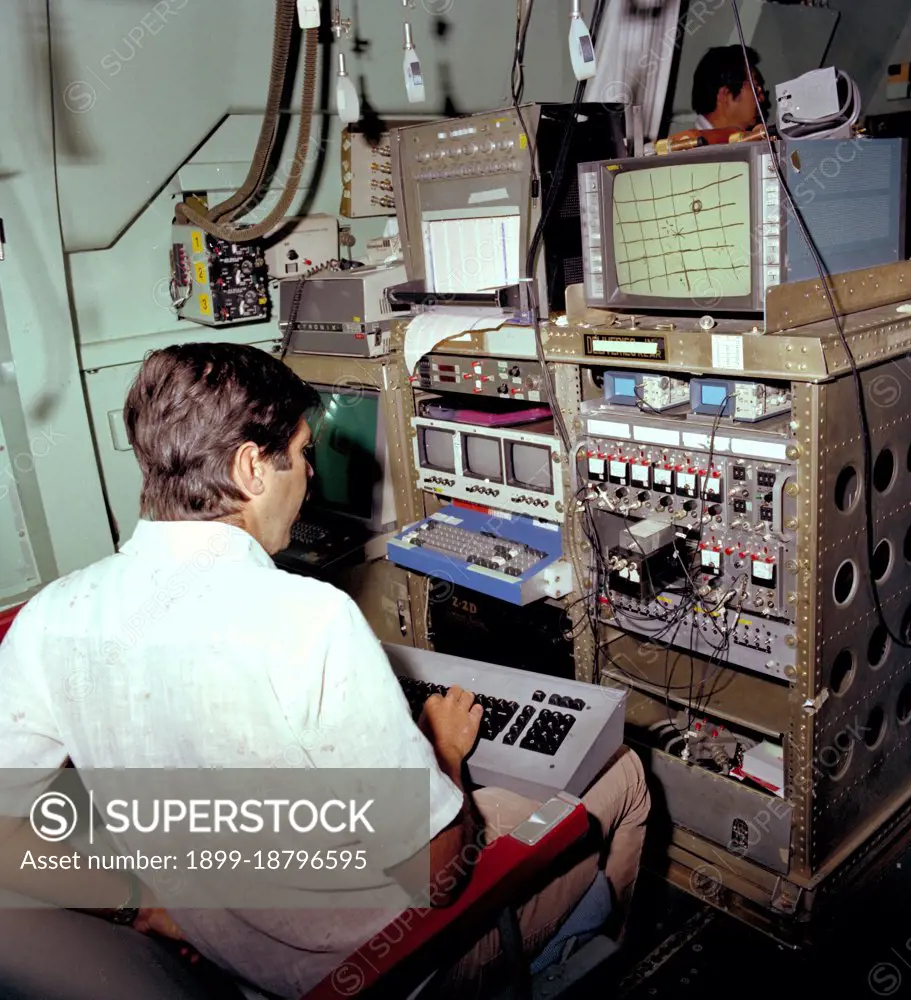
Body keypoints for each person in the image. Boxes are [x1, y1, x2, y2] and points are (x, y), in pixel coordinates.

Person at [0, 343, 650, 999]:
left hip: (232, 955)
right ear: (253, 467)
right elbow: (436, 878)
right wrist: (442, 751)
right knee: (622, 776)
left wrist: (135, 898)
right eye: (305, 454)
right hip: (381, 969)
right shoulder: (310, 619)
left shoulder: (49, 617)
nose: (309, 477)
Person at [692, 45, 768, 131]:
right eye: (755, 90)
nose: (762, 99)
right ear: (725, 95)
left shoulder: (743, 140)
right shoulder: (693, 143)